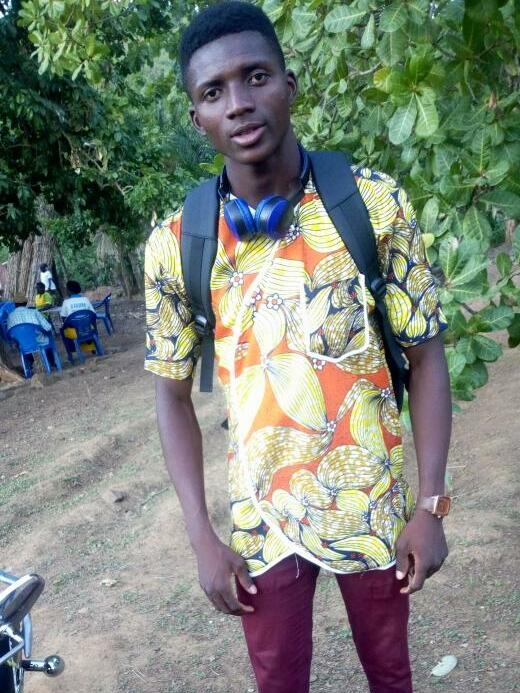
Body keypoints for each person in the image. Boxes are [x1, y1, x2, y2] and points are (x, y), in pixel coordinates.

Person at [144, 4, 452, 692]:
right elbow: (170, 395)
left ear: (289, 83)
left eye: (255, 76)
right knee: (279, 681)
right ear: (197, 117)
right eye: (214, 92)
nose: (238, 103)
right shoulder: (177, 242)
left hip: (371, 503)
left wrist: (431, 505)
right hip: (262, 522)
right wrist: (202, 537)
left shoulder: (372, 204)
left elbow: (427, 355)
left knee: (391, 674)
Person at [7, 292, 56, 373]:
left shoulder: (10, 317)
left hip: (22, 345)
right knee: (48, 337)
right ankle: (52, 363)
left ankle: (29, 366)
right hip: (38, 342)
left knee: (26, 344)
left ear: (14, 304)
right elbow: (48, 327)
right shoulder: (34, 312)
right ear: (26, 303)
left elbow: (10, 335)